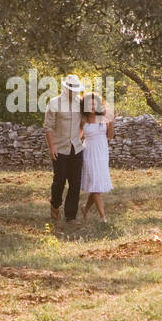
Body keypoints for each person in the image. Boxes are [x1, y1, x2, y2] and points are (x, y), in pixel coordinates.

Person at [44, 74, 86, 223]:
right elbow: (48, 127)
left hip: (76, 148)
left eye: (75, 88)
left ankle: (71, 216)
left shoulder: (80, 103)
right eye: (70, 88)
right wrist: (52, 147)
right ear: (64, 88)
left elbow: (83, 123)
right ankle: (55, 205)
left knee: (75, 183)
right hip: (60, 148)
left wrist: (79, 138)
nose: (73, 91)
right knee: (59, 180)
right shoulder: (54, 103)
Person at [79, 91, 114, 222]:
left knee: (96, 185)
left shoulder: (104, 119)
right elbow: (78, 137)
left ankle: (85, 208)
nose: (92, 107)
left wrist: (111, 122)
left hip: (102, 153)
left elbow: (110, 136)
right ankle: (102, 217)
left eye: (95, 104)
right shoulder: (83, 120)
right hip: (89, 153)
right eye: (90, 104)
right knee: (96, 186)